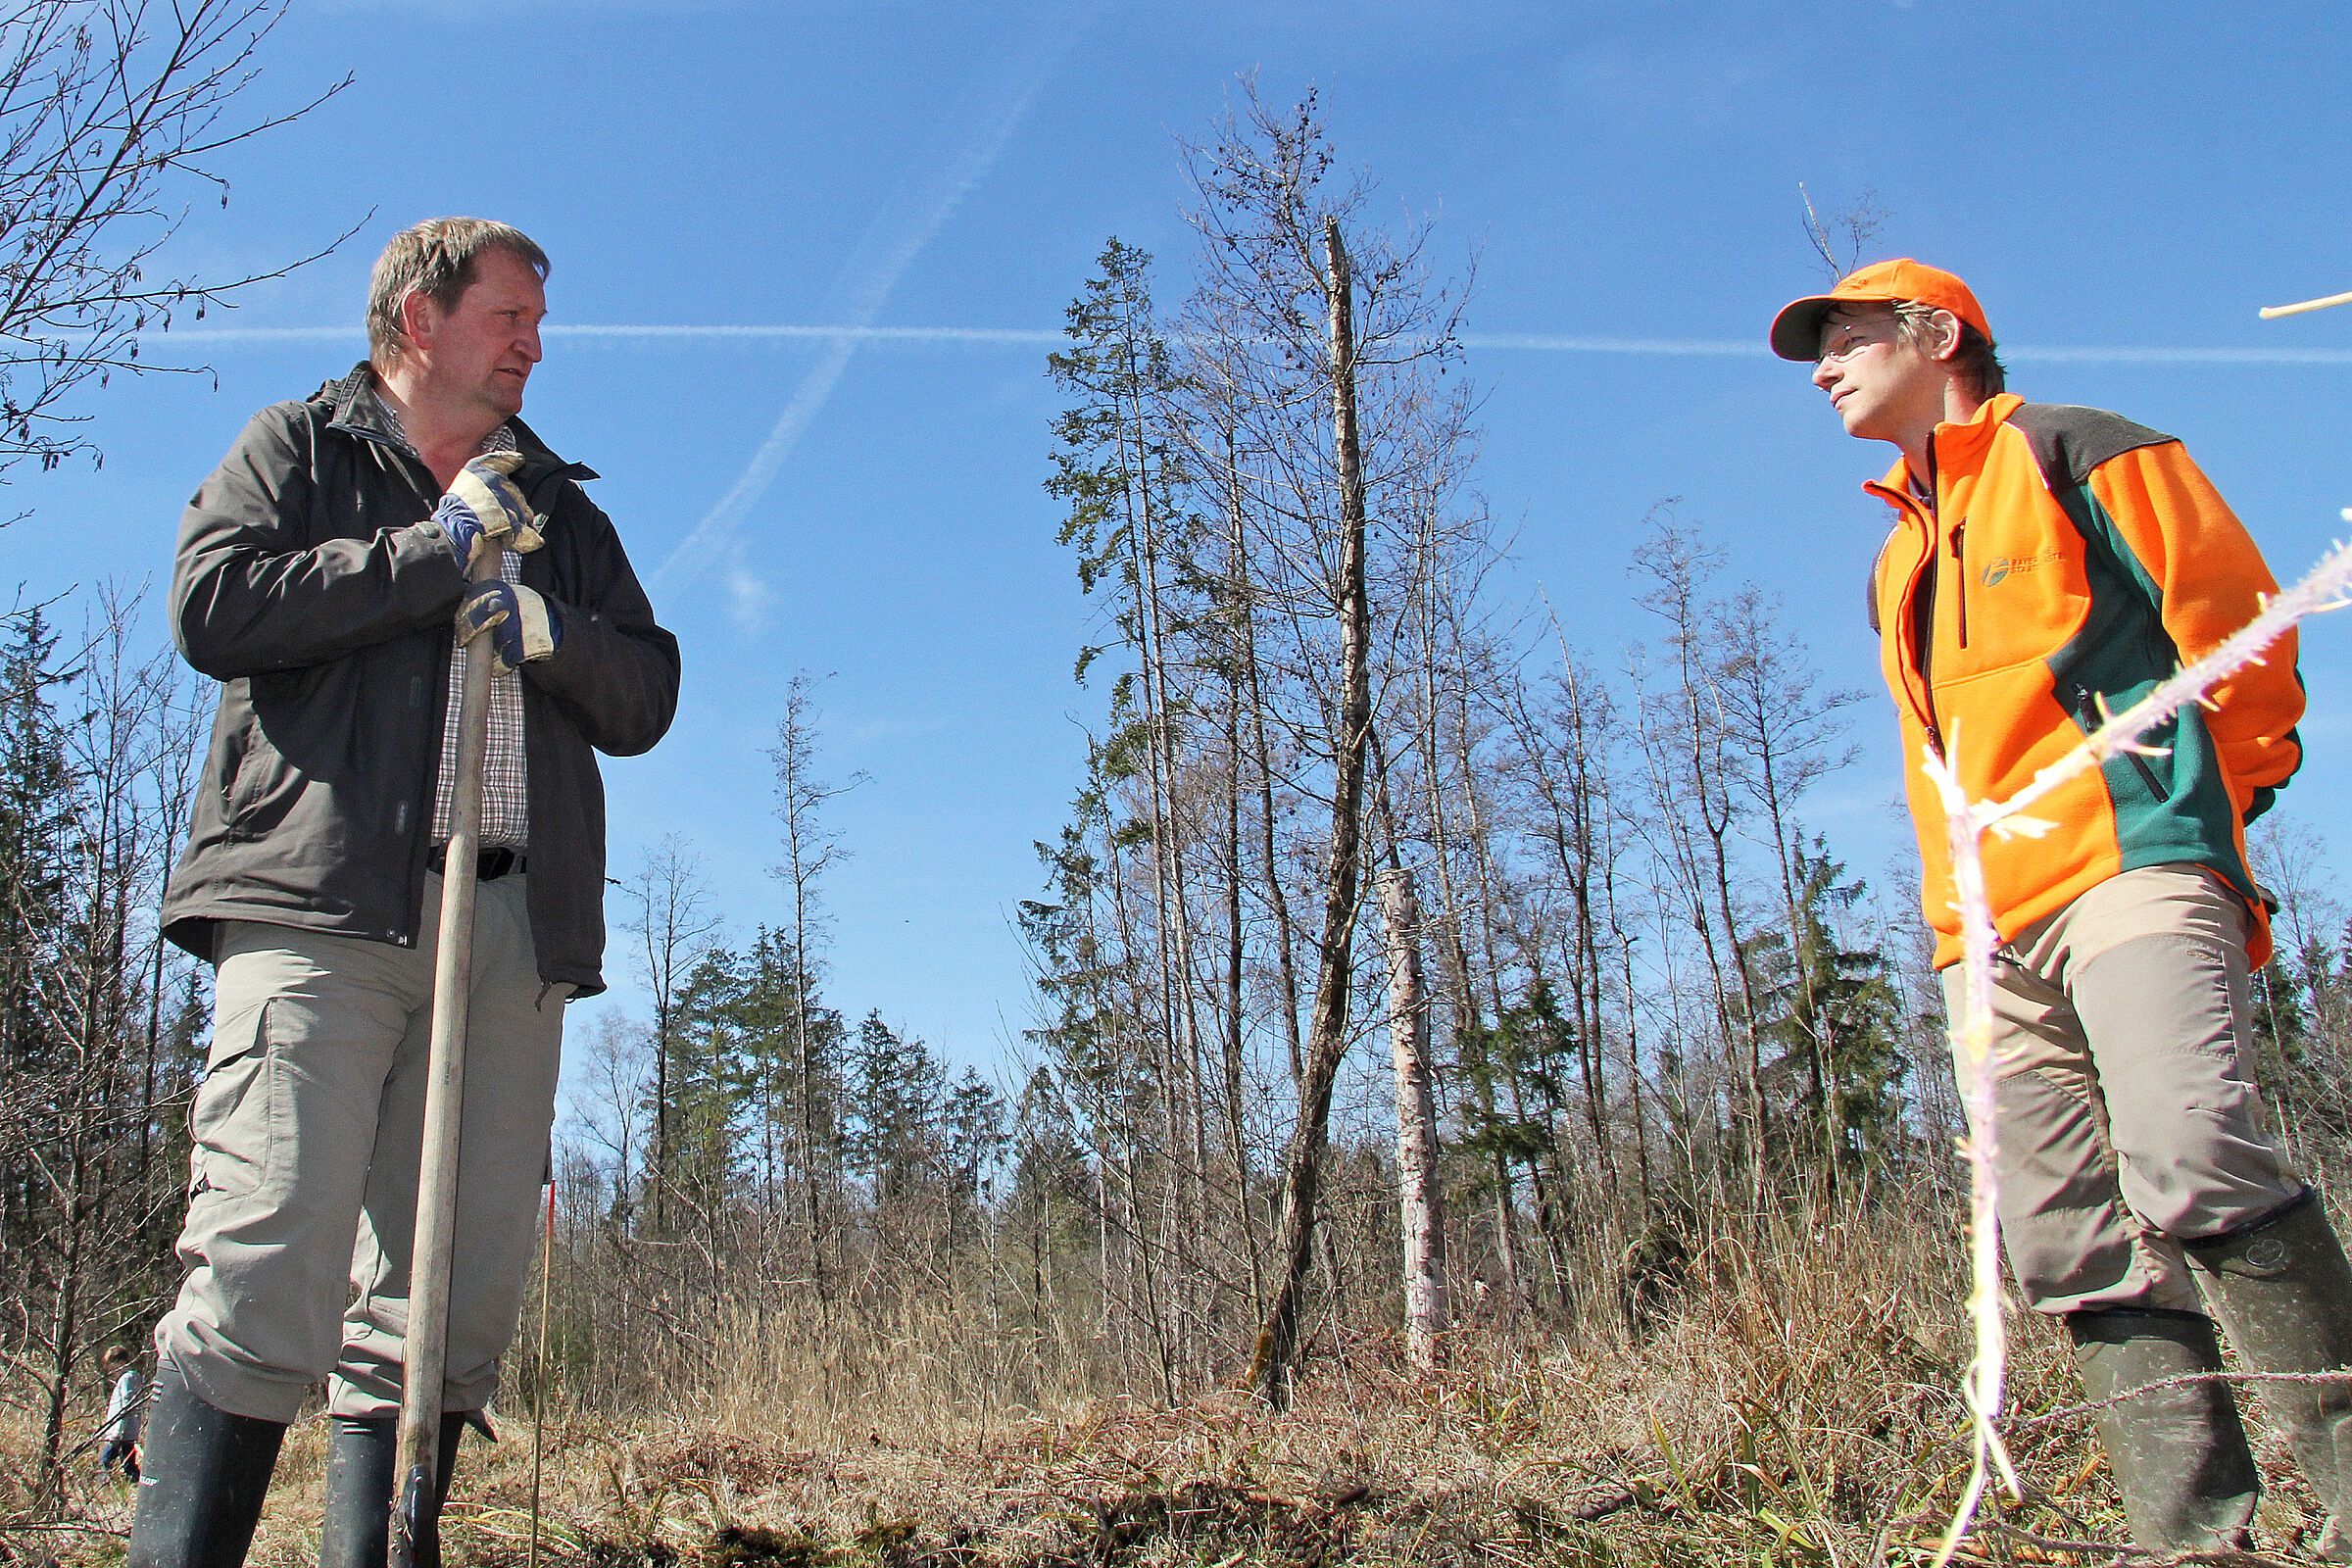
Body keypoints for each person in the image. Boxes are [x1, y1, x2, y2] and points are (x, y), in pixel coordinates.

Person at [1771, 257, 2352, 1559]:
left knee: (2191, 1150)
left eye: (1845, 337)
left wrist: (2207, 811)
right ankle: (2193, 1537)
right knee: (2062, 1234)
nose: (1822, 367)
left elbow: (2243, 635)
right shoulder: (1896, 557)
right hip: (1980, 930)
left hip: (2129, 860)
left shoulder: (2088, 450)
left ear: (1938, 333)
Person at [130, 218, 681, 1568]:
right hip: (321, 906)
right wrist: (434, 560)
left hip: (507, 929)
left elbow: (648, 693)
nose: (534, 347)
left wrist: (543, 629)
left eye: (537, 325)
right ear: (417, 321)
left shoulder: (559, 506)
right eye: (510, 319)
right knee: (267, 1258)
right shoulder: (299, 454)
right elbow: (215, 606)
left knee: (443, 1304)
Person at [97, 1346, 143, 1481]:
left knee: (104, 1462)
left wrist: (117, 1432)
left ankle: (103, 1487)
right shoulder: (136, 1377)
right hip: (128, 1433)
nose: (111, 1371)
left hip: (120, 1434)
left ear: (121, 1363)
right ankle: (138, 1484)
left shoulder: (126, 1379)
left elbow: (126, 1406)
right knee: (128, 1466)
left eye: (112, 1366)